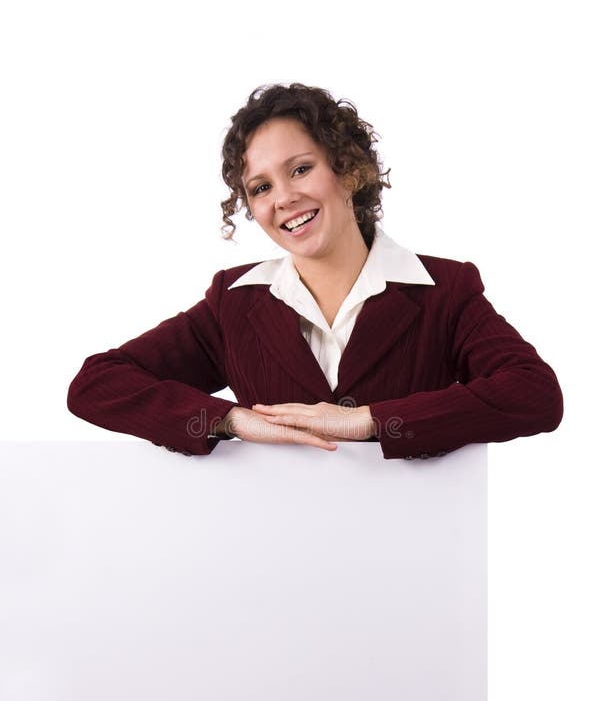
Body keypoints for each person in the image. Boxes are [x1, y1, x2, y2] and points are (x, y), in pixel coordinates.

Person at [67, 82, 563, 459]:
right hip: (275, 567)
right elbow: (96, 384)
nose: (283, 198)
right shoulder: (234, 302)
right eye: (260, 188)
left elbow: (535, 393)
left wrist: (372, 421)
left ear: (349, 170)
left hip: (416, 568)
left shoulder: (444, 291)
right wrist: (228, 420)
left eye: (300, 169)